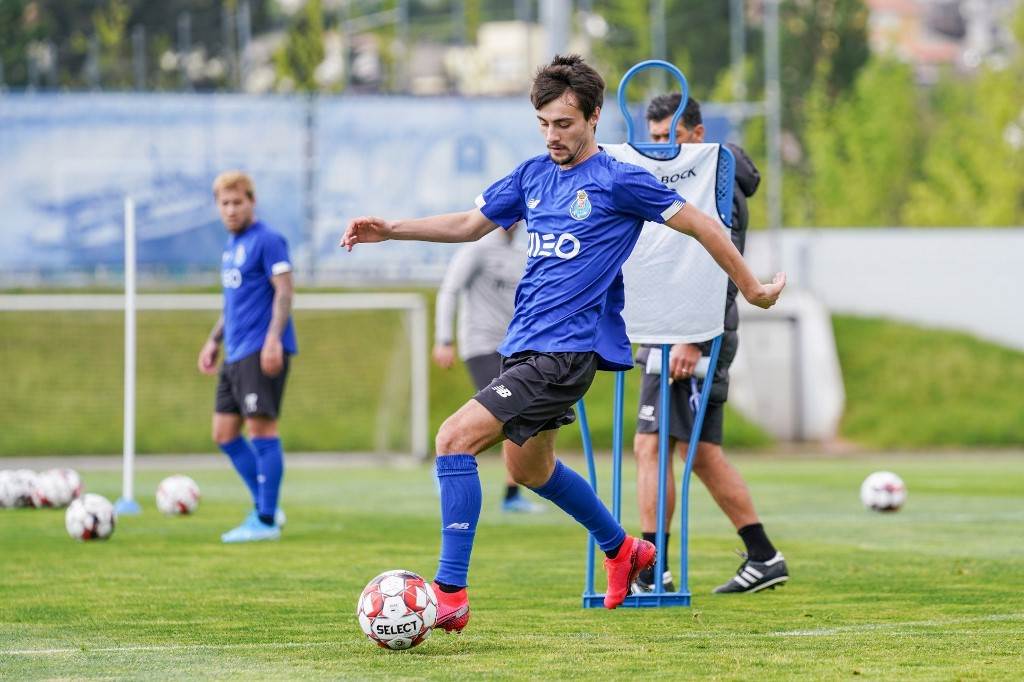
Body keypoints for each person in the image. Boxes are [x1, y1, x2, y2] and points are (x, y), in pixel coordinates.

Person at [340, 55, 785, 632]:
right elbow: (470, 225)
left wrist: (751, 288)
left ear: (594, 118)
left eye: (565, 124)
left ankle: (449, 594)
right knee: (530, 470)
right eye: (545, 124)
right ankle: (623, 550)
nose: (553, 135)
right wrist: (391, 230)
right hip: (523, 346)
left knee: (452, 439)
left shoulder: (618, 180)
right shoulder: (532, 175)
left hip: (565, 352)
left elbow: (702, 223)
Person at [631, 94, 788, 594]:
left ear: (697, 135)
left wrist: (694, 341)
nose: (661, 147)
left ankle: (653, 569)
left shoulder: (717, 184)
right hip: (667, 329)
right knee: (695, 454)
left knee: (653, 446)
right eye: (654, 138)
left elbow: (723, 267)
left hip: (692, 335)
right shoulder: (677, 180)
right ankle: (763, 556)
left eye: (670, 137)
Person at [198, 171, 296, 543]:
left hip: (260, 348)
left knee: (261, 431)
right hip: (235, 351)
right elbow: (233, 305)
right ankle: (266, 504)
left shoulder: (268, 239)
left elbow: (284, 291)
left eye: (238, 202)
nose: (231, 209)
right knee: (224, 434)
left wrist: (273, 340)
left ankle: (266, 520)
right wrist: (213, 340)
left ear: (252, 201)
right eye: (224, 203)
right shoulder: (230, 247)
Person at [432, 224, 544, 513]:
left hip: (514, 347)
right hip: (481, 344)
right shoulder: (477, 250)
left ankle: (509, 492)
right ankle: (450, 452)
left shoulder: (523, 253)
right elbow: (449, 291)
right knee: (509, 413)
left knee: (517, 414)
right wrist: (444, 339)